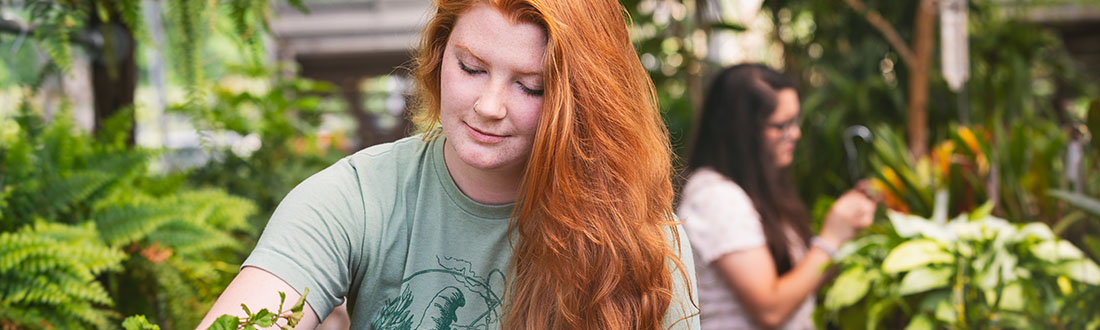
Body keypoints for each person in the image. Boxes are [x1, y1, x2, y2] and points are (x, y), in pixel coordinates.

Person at [198, 0, 700, 329]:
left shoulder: (640, 235)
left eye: (531, 86)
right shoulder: (354, 197)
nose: (489, 105)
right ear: (439, 56)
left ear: (582, 103)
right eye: (472, 68)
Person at [677, 63, 875, 330]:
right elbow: (770, 310)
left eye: (795, 121)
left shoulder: (757, 188)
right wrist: (831, 238)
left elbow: (800, 284)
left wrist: (849, 232)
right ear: (741, 131)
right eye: (782, 125)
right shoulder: (716, 198)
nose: (795, 133)